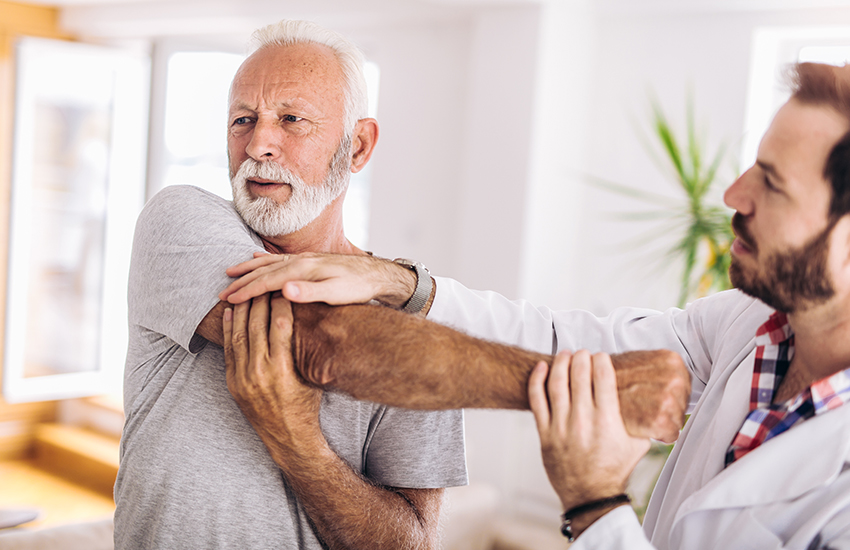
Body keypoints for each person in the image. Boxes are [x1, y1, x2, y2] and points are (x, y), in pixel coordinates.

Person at [219, 61, 850, 549]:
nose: (733, 194)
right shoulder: (749, 326)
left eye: (771, 182)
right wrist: (402, 284)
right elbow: (558, 337)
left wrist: (596, 504)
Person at [113, 20, 468, 550]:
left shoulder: (420, 319)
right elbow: (313, 337)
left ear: (358, 147)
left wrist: (301, 446)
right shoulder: (178, 221)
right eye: (243, 119)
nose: (259, 144)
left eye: (292, 119)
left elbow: (409, 543)